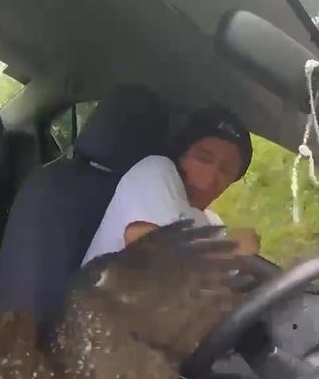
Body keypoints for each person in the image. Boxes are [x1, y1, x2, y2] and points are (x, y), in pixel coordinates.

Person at [81, 105, 259, 264]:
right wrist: (230, 249)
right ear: (182, 154)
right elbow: (148, 259)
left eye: (226, 170)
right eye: (203, 158)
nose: (211, 178)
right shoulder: (155, 171)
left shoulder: (208, 223)